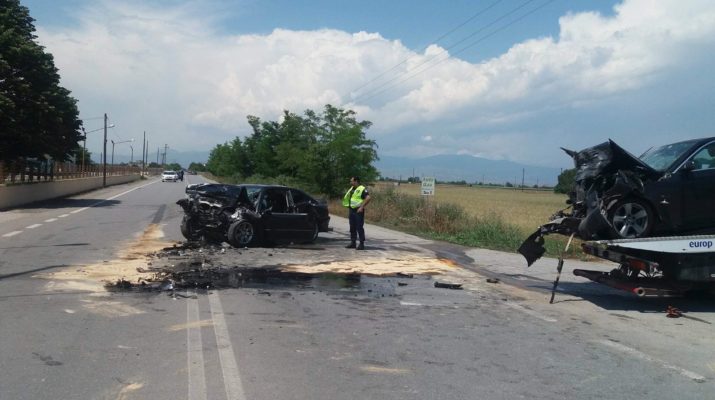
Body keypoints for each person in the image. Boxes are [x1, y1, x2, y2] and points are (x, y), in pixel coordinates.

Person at [342, 176, 371, 250]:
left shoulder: (362, 189)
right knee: (352, 227)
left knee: (359, 227)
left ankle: (361, 244)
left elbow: (368, 198)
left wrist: (361, 207)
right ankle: (353, 243)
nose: (350, 182)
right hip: (352, 210)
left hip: (358, 210)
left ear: (356, 181)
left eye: (351, 181)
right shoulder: (352, 188)